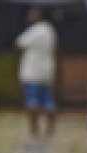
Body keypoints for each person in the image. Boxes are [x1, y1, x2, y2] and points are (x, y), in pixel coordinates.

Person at [16, 6, 57, 138]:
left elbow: (19, 44)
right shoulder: (50, 30)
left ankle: (34, 129)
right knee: (48, 101)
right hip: (47, 71)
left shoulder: (35, 30)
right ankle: (50, 129)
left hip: (32, 71)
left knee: (32, 101)